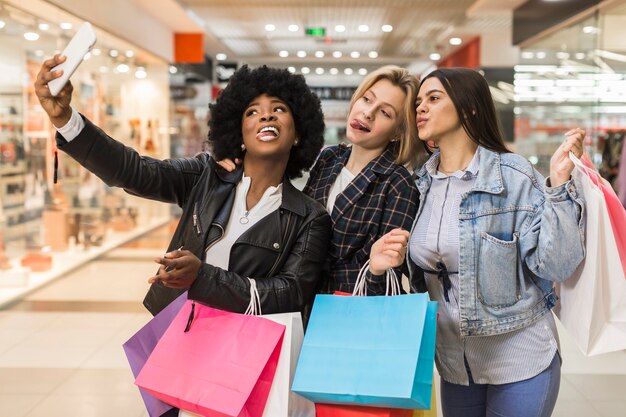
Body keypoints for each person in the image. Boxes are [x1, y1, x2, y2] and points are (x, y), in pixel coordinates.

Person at [35, 57, 331, 326]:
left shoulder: (309, 217)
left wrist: (202, 277)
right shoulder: (206, 177)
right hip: (183, 335)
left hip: (249, 353)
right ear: (238, 135)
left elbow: (290, 292)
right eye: (252, 112)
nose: (266, 116)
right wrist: (66, 121)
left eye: (278, 109)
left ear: (298, 134)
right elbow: (133, 171)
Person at [370, 67, 586, 417]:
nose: (421, 108)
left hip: (520, 359)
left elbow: (555, 265)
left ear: (469, 108)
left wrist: (559, 186)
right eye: (419, 102)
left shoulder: (512, 176)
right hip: (456, 366)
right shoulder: (417, 185)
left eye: (434, 98)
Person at [221, 65, 425, 294]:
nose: (368, 113)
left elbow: (390, 281)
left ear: (398, 132)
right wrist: (236, 161)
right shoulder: (330, 159)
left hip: (350, 313)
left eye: (385, 112)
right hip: (298, 300)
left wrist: (375, 269)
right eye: (367, 100)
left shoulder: (398, 184)